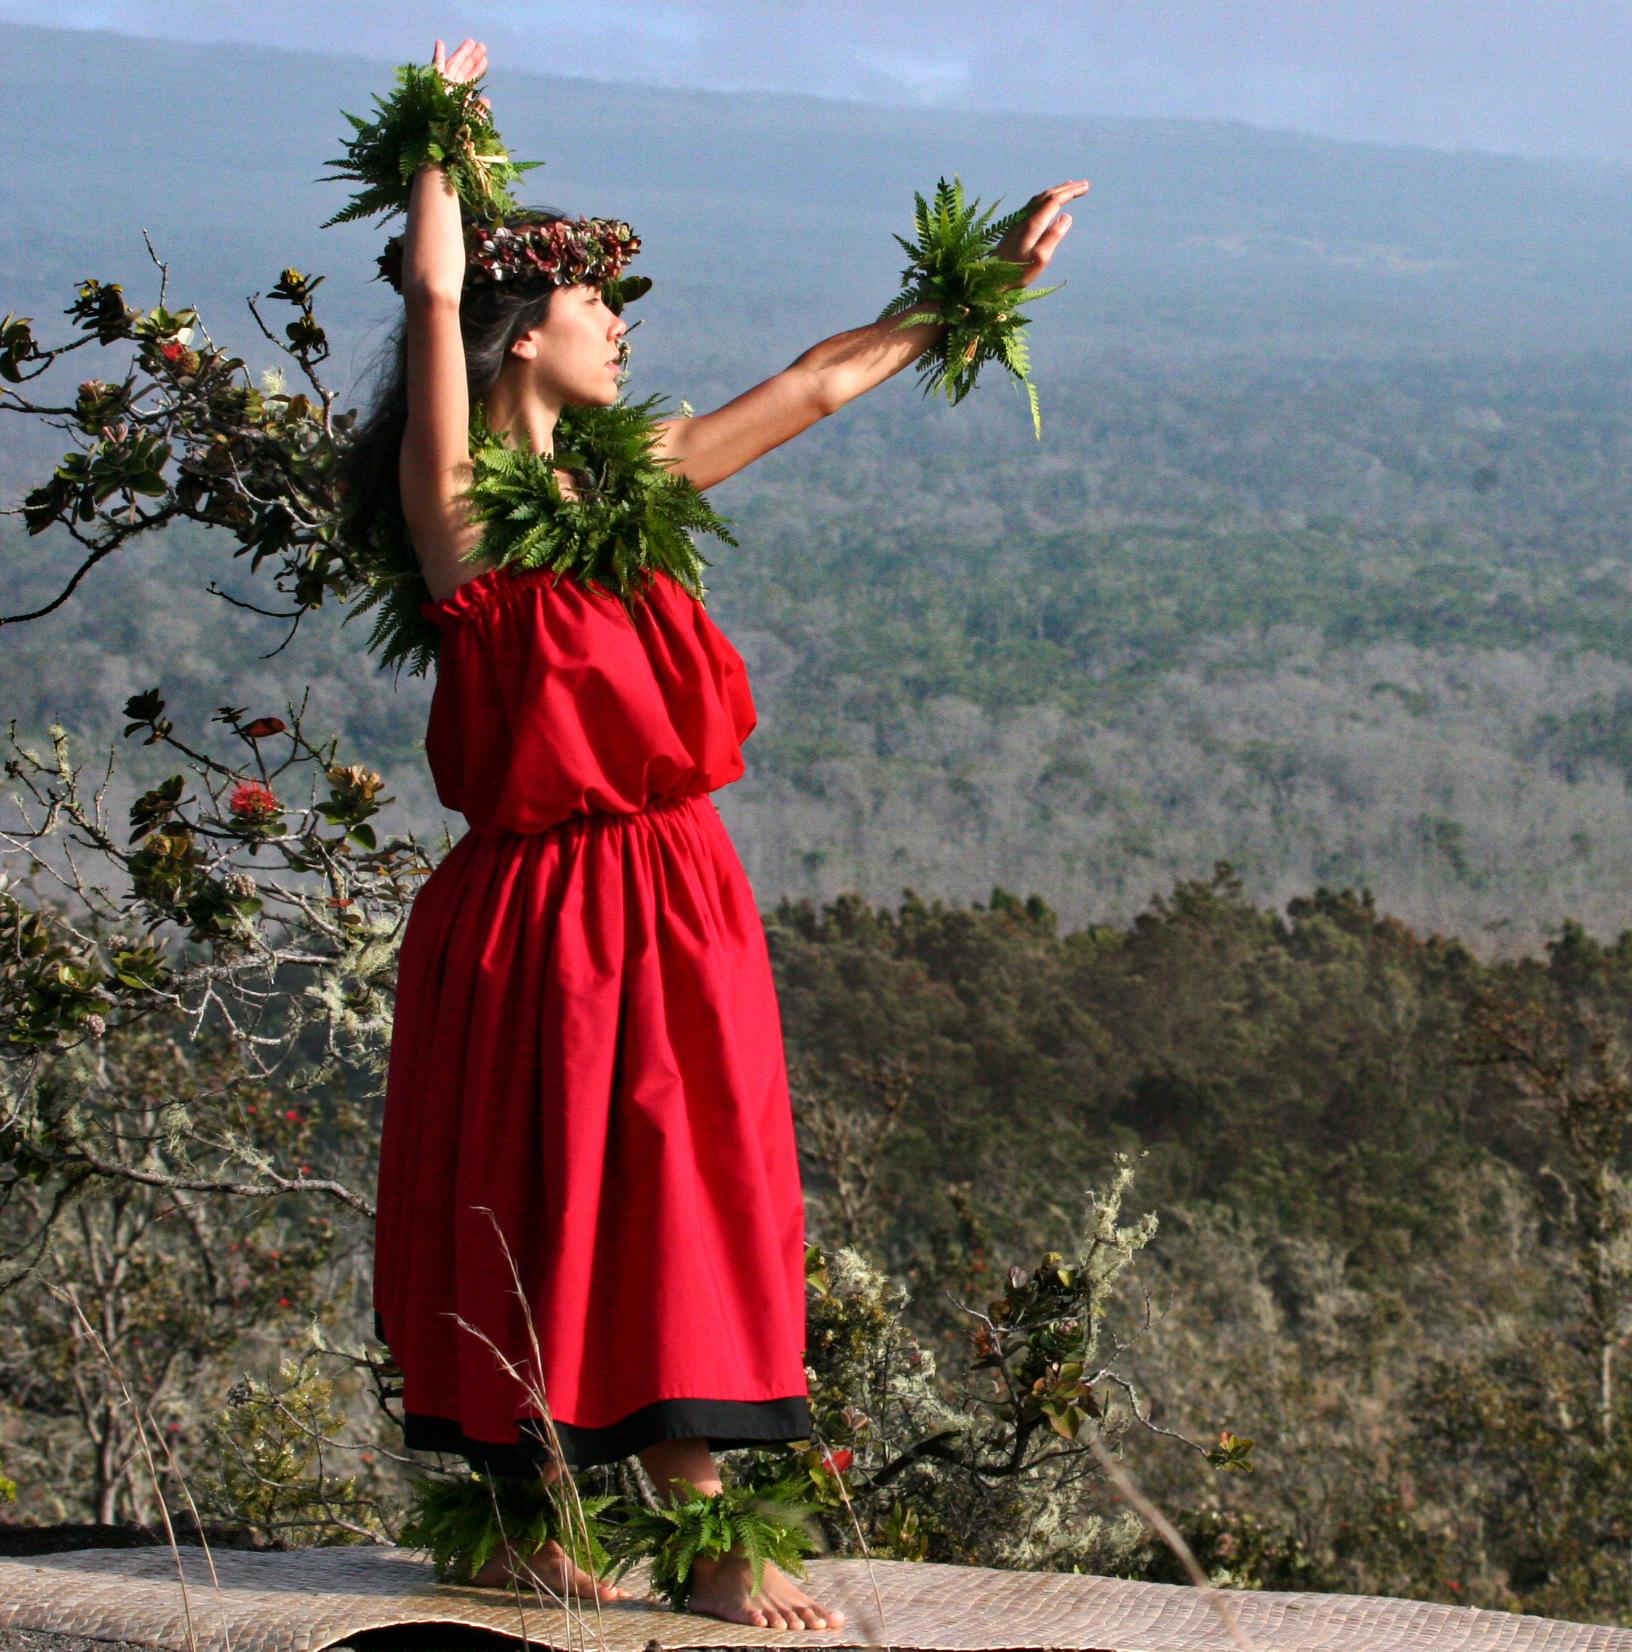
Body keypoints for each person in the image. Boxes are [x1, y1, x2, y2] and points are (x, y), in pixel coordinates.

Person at [351, 36, 1086, 1630]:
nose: (620, 328)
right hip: (532, 911)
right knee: (533, 1194)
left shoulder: (640, 489)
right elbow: (421, 296)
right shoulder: (464, 520)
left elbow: (816, 382)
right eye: (592, 308)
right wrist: (444, 143)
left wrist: (980, 295)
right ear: (518, 341)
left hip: (676, 895)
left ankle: (714, 1528)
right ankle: (527, 1514)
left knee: (698, 1185)